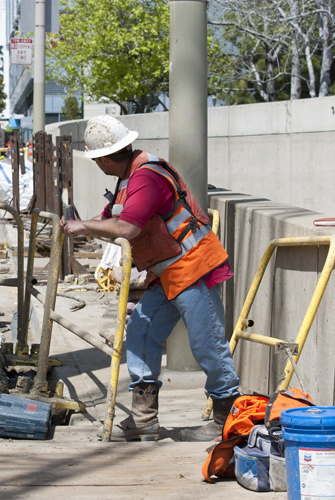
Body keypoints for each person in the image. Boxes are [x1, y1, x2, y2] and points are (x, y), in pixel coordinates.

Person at [60, 115, 240, 441]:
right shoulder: (129, 178)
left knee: (207, 343)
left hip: (192, 265)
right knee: (142, 330)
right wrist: (88, 222)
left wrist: (82, 226)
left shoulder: (146, 177)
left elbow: (128, 229)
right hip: (167, 270)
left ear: (101, 158)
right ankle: (144, 417)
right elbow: (115, 220)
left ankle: (227, 415)